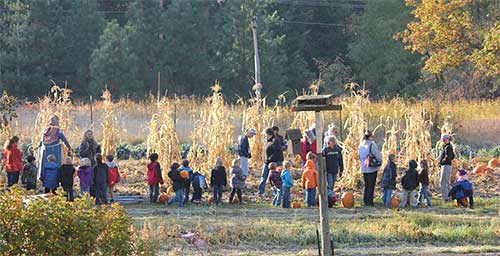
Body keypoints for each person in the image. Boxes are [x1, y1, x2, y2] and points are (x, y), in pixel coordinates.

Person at [358, 131, 382, 207]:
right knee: (371, 185)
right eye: (372, 136)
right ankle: (370, 202)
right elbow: (377, 155)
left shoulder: (361, 145)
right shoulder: (372, 144)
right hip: (371, 167)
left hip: (364, 168)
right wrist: (380, 160)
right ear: (369, 137)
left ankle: (365, 201)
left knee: (366, 185)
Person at [257, 128, 284, 195]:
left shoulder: (276, 141)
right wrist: (264, 159)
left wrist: (269, 159)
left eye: (266, 135)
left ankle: (277, 192)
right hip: (267, 162)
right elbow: (265, 151)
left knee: (276, 178)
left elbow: (277, 152)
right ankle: (260, 191)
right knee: (263, 176)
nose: (266, 136)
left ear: (270, 134)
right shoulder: (267, 141)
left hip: (275, 162)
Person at [439, 134, 455, 201]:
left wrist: (442, 162)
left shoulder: (447, 147)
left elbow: (448, 157)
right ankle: (450, 196)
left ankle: (445, 197)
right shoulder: (449, 146)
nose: (443, 141)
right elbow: (453, 156)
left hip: (446, 166)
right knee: (447, 182)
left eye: (443, 139)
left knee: (443, 182)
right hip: (448, 166)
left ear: (447, 139)